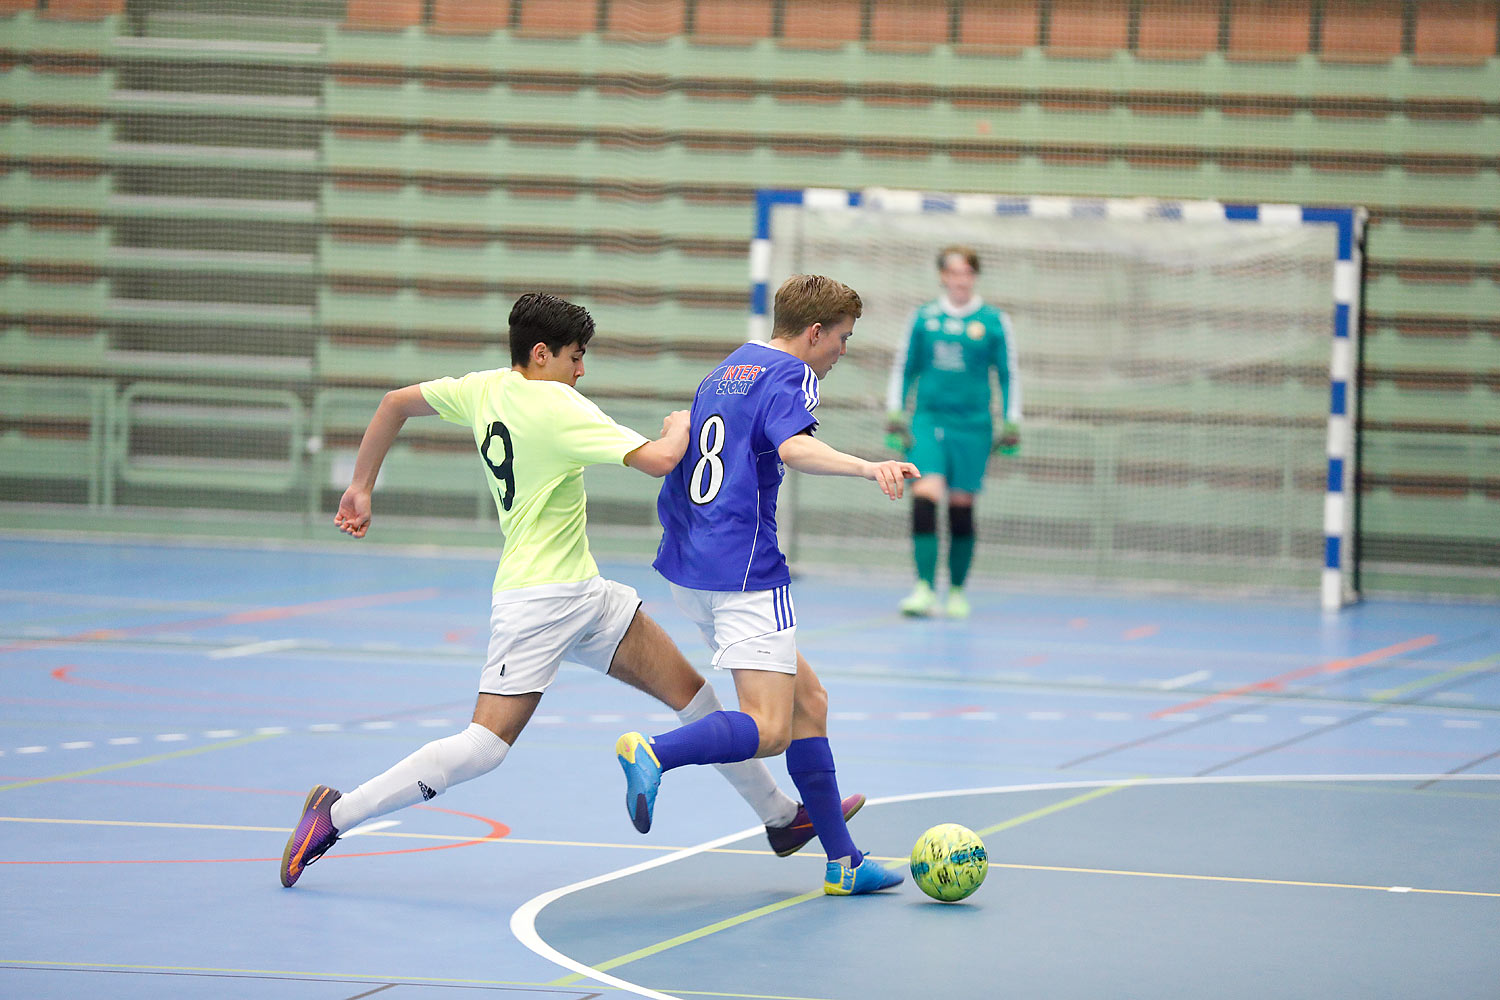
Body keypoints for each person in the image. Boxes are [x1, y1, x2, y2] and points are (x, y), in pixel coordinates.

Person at [280, 292, 862, 888]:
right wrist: (679, 423)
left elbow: (393, 404)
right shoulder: (559, 406)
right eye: (575, 357)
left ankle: (781, 818)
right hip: (536, 602)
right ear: (540, 354)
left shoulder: (482, 387)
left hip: (588, 594)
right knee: (485, 747)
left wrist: (361, 486)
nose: (581, 371)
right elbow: (663, 460)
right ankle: (336, 812)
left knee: (694, 698)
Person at [614, 274, 919, 897]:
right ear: (814, 333)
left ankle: (844, 862)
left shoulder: (726, 369)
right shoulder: (792, 375)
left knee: (811, 702)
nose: (842, 352)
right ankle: (654, 754)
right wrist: (870, 467)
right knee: (772, 726)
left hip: (691, 565)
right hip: (744, 572)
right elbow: (794, 448)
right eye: (842, 339)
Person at [884, 245, 1021, 620]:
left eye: (967, 272)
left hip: (973, 425)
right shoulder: (923, 318)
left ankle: (957, 590)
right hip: (928, 420)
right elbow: (904, 368)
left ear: (974, 277)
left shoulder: (993, 321)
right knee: (925, 493)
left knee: (961, 506)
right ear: (943, 275)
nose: (960, 279)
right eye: (953, 272)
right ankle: (924, 587)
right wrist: (895, 413)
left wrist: (1013, 420)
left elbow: (1008, 373)